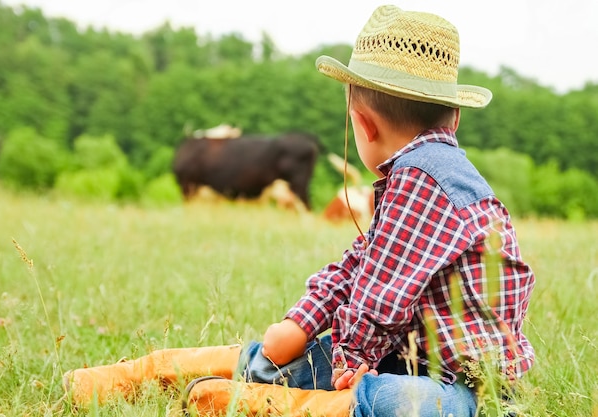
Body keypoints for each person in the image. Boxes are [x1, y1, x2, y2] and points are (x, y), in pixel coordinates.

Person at [63, 5, 535, 416]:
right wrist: (301, 322)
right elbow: (361, 264)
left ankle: (260, 397)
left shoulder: (422, 177)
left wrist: (349, 356)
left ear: (362, 124)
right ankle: (155, 373)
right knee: (323, 359)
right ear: (454, 116)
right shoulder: (425, 173)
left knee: (435, 407)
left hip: (457, 381)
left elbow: (380, 297)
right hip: (407, 357)